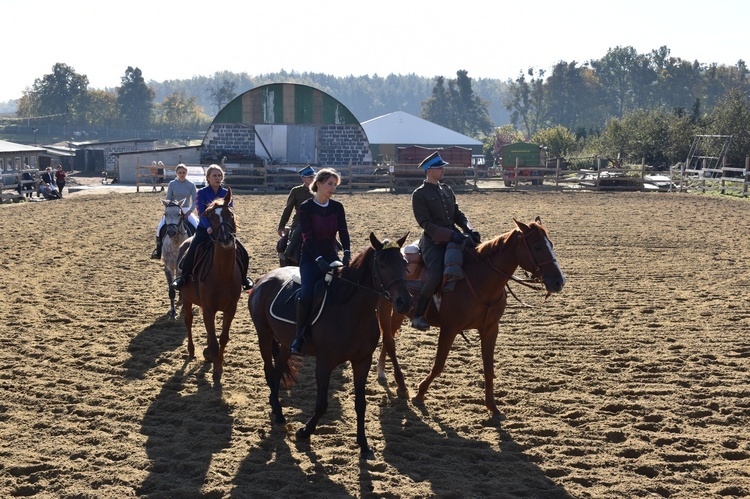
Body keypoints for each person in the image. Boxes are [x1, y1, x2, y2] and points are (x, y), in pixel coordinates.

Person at [410, 151, 480, 331]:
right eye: (439, 168)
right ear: (429, 171)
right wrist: (450, 236)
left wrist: (469, 229)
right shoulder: (419, 194)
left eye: (442, 167)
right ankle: (418, 315)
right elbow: (425, 223)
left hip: (455, 236)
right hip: (433, 242)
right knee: (435, 275)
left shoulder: (447, 189)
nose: (443, 170)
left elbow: (457, 214)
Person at [289, 168, 351, 356]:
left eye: (335, 185)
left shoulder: (337, 207)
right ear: (319, 184)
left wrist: (346, 253)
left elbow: (344, 232)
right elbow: (307, 237)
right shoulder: (306, 207)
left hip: (332, 255)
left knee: (346, 289)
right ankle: (299, 335)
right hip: (310, 257)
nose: (333, 188)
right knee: (307, 293)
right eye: (330, 184)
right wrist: (318, 260)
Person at [171, 164, 253, 291]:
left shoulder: (226, 193)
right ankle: (183, 278)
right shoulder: (201, 193)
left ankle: (243, 278)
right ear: (208, 178)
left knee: (244, 252)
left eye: (219, 175)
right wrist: (209, 227)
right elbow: (201, 212)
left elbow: (229, 214)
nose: (217, 178)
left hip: (224, 231)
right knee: (191, 251)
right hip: (205, 230)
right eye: (214, 175)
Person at [150, 163, 199, 259]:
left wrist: (190, 211)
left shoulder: (191, 185)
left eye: (183, 172)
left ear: (186, 173)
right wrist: (171, 208)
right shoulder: (172, 184)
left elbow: (195, 200)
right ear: (176, 173)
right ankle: (158, 250)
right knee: (160, 227)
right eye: (180, 172)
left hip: (186, 209)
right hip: (174, 209)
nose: (182, 174)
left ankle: (197, 249)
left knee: (197, 226)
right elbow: (168, 198)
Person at [277, 166, 315, 265]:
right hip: (299, 221)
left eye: (313, 176)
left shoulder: (319, 190)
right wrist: (281, 226)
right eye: (309, 177)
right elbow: (288, 209)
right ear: (303, 178)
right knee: (297, 234)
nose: (312, 179)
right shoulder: (296, 191)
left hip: (316, 220)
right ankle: (289, 254)